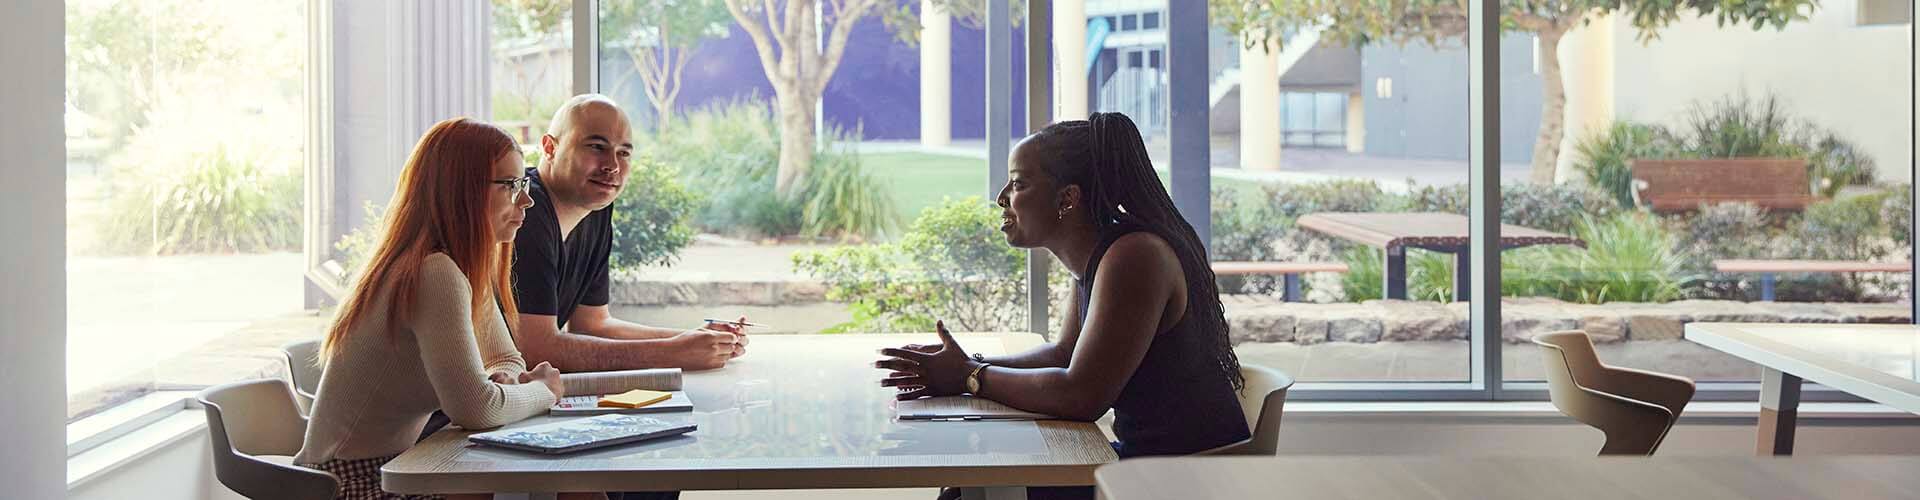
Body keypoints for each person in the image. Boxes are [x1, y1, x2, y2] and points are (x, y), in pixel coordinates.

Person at [874, 112, 1250, 500]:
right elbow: (1065, 353)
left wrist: (971, 376)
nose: (1002, 197)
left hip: (1183, 484)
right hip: (1148, 468)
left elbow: (1082, 396)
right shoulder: (1102, 255)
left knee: (978, 494)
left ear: (1067, 198)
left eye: (1018, 183)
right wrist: (961, 365)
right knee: (972, 489)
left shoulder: (1135, 256)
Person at [294, 118, 602, 500]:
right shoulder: (433, 271)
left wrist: (506, 380)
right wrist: (543, 390)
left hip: (403, 464)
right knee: (570, 480)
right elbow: (476, 409)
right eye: (510, 185)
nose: (526, 199)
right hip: (352, 483)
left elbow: (506, 358)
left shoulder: (456, 265)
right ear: (462, 191)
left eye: (523, 182)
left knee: (563, 479)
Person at [510, 94, 748, 373]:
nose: (612, 165)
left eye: (623, 153)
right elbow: (534, 350)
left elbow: (594, 325)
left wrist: (693, 340)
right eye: (597, 147)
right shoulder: (524, 212)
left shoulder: (595, 211)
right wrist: (671, 353)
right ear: (549, 147)